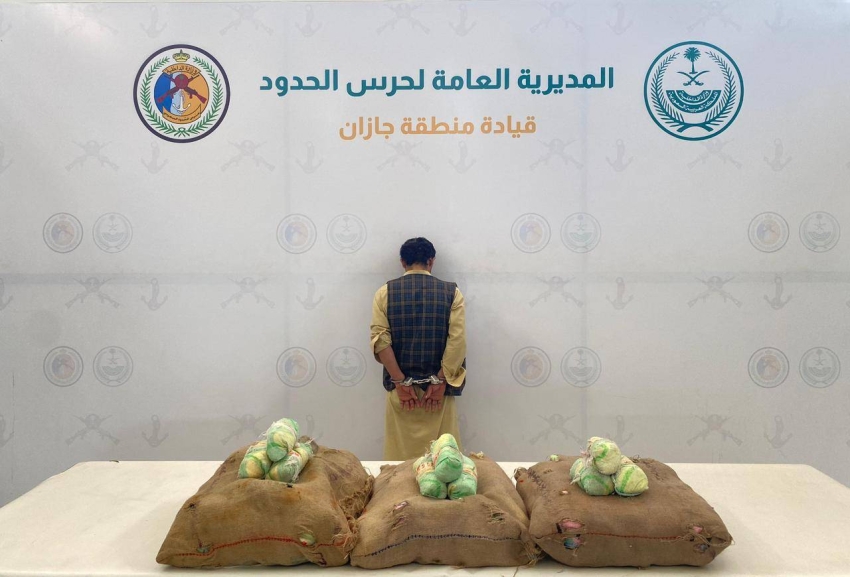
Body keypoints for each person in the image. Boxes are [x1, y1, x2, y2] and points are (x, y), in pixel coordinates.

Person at [370, 237, 467, 460]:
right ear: (431, 261)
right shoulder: (452, 293)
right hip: (439, 394)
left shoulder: (384, 293)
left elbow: (380, 341)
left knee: (398, 465)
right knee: (443, 462)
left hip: (402, 394)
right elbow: (457, 341)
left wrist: (400, 382)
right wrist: (439, 381)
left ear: (403, 262)